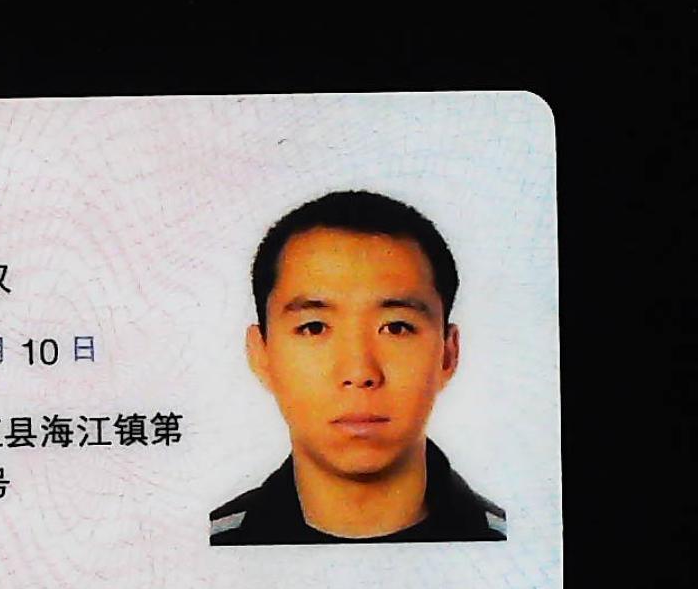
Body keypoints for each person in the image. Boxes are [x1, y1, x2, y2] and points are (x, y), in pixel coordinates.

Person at [208, 189, 508, 545]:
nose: (360, 373)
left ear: (448, 353)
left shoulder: (513, 542)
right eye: (314, 328)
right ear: (262, 355)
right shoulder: (207, 546)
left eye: (396, 327)